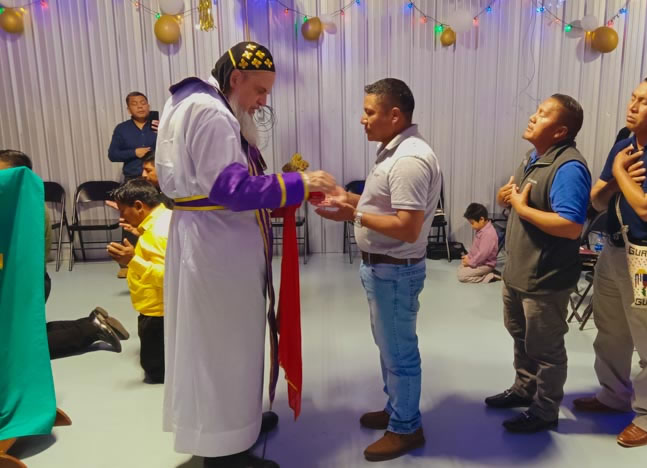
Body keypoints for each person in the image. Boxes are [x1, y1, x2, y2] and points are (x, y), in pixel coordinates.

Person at [155, 41, 335, 468]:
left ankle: (236, 426)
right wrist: (300, 183)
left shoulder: (189, 101)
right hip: (217, 250)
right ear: (235, 79)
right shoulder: (214, 114)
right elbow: (230, 189)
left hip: (207, 241)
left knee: (220, 344)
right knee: (225, 347)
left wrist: (281, 186)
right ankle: (225, 453)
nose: (262, 101)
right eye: (260, 90)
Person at [315, 78, 441, 462]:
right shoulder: (392, 151)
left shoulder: (408, 160)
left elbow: (407, 226)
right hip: (383, 270)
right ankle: (396, 408)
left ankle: (406, 428)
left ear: (395, 115)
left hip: (396, 272)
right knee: (389, 348)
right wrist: (347, 198)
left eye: (369, 112)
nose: (362, 119)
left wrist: (353, 214)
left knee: (400, 353)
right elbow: (383, 205)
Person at [574, 75, 647, 448]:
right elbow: (597, 200)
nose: (633, 105)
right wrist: (617, 180)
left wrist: (619, 174)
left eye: (645, 101)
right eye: (633, 97)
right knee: (610, 330)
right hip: (613, 248)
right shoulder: (624, 143)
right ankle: (613, 394)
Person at [486, 94, 591, 433]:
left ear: (560, 132)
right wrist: (507, 199)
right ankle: (524, 389)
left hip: (545, 278)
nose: (533, 117)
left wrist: (521, 207)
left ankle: (545, 411)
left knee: (546, 349)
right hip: (518, 272)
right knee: (521, 337)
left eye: (543, 114)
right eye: (536, 111)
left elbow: (570, 225)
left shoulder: (569, 168)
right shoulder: (533, 158)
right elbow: (520, 201)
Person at [0, 150, 128, 359]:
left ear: (20, 175)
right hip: (21, 280)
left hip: (22, 283)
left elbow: (13, 255)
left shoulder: (21, 207)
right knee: (19, 332)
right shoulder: (19, 201)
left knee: (16, 347)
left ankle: (91, 330)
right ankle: (91, 324)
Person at [107, 179, 171, 384]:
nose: (121, 217)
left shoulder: (158, 233)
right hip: (160, 310)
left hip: (158, 314)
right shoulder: (164, 219)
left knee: (156, 372)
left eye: (122, 210)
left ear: (138, 206)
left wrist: (132, 260)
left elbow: (169, 277)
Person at [108, 91, 158, 278]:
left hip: (155, 179)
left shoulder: (158, 125)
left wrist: (164, 131)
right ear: (128, 109)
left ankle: (154, 257)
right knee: (130, 219)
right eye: (135, 104)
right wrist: (134, 152)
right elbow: (112, 154)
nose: (140, 106)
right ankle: (127, 263)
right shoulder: (122, 129)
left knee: (156, 218)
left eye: (143, 102)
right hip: (132, 179)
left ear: (148, 105)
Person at [457, 203, 499, 283]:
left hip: (485, 265)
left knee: (461, 276)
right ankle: (484, 273)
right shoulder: (481, 230)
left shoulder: (488, 234)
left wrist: (470, 262)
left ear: (481, 219)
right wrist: (468, 256)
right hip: (479, 262)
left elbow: (482, 254)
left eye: (472, 223)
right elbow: (475, 248)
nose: (471, 226)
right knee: (460, 268)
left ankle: (490, 276)